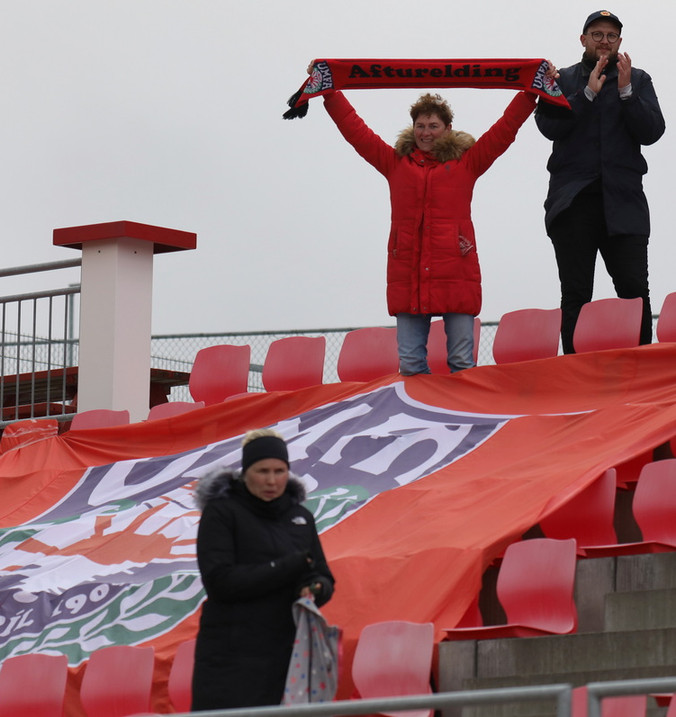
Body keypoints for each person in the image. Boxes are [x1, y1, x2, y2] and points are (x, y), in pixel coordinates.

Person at [314, 64, 546, 375]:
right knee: (411, 365)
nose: (426, 132)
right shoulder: (395, 164)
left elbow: (504, 130)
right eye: (420, 126)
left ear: (448, 129)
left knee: (462, 364)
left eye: (433, 125)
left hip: (457, 272)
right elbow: (356, 131)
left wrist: (530, 94)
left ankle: (464, 408)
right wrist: (330, 94)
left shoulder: (468, 163)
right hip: (408, 274)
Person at [535, 10, 665, 354]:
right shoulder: (562, 79)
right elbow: (549, 126)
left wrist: (627, 92)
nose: (604, 41)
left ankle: (640, 371)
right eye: (597, 34)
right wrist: (587, 94)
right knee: (576, 293)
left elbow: (653, 131)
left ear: (620, 41)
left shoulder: (638, 79)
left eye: (611, 35)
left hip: (624, 204)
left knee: (634, 290)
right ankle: (576, 374)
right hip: (572, 203)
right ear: (583, 40)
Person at [191, 429, 334, 710]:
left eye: (279, 471)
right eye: (262, 471)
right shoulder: (221, 512)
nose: (272, 480)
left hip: (287, 652)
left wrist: (315, 589)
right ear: (245, 472)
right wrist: (288, 567)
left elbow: (322, 575)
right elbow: (220, 582)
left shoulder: (300, 517)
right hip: (230, 656)